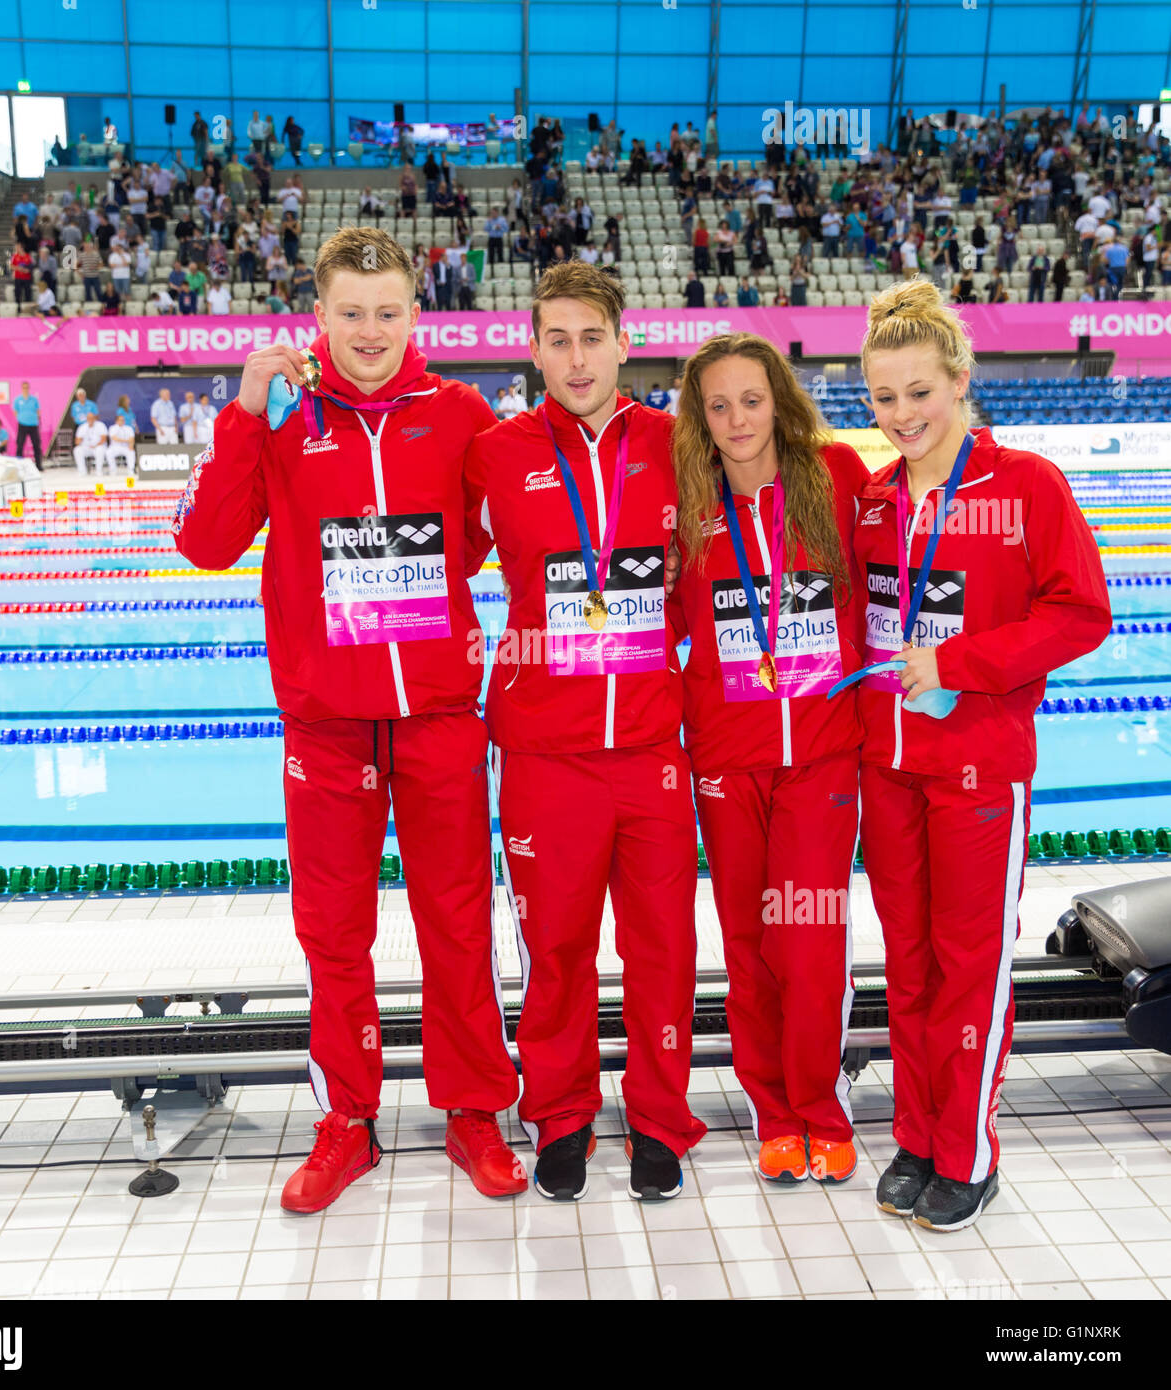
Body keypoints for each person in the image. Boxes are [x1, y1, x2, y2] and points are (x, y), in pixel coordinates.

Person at [171, 226, 524, 1213]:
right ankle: (346, 1121)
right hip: (326, 725)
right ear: (317, 315)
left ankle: (473, 1111)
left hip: (439, 719)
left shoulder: (458, 414)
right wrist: (243, 416)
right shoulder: (280, 416)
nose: (370, 332)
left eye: (388, 312)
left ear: (417, 316)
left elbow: (507, 541)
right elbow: (205, 544)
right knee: (333, 931)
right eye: (351, 313)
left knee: (456, 922)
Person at [853, 279, 1110, 1232]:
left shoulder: (1026, 486)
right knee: (911, 963)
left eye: (920, 392)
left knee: (970, 965)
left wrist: (958, 660)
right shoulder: (874, 499)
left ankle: (967, 1151)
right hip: (887, 766)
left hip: (980, 763)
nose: (903, 415)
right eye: (884, 398)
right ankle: (916, 1136)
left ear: (961, 382)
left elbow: (1083, 614)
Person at [463, 261, 704, 1203]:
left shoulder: (677, 442)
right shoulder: (496, 452)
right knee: (554, 951)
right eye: (556, 339)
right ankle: (560, 1114)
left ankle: (659, 1120)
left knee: (661, 950)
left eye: (591, 337)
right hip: (544, 752)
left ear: (623, 342)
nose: (575, 357)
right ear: (533, 348)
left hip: (650, 749)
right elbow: (432, 560)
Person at [669, 333, 869, 1185]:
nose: (737, 418)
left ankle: (823, 1105)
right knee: (747, 940)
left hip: (821, 755)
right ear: (699, 420)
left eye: (751, 399)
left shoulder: (839, 482)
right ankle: (774, 1108)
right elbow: (663, 623)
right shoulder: (688, 504)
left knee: (812, 939)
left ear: (779, 401)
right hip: (727, 755)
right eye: (718, 405)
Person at [12, 382, 43, 470]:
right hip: (22, 424)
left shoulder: (34, 399)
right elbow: (15, 411)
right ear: (21, 388)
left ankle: (39, 465)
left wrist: (36, 418)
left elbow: (38, 411)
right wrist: (20, 418)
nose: (25, 389)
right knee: (20, 445)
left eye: (27, 387)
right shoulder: (18, 399)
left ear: (29, 388)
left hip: (33, 424)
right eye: (24, 387)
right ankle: (19, 466)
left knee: (36, 445)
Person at [73, 410, 109, 476]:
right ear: (86, 419)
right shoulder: (82, 427)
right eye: (89, 418)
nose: (90, 419)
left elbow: (104, 439)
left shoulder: (100, 425)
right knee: (77, 450)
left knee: (100, 450)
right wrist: (81, 438)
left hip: (98, 446)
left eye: (92, 418)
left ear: (95, 418)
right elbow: (77, 442)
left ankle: (99, 471)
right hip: (86, 447)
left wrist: (95, 445)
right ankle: (82, 471)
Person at [107, 410, 136, 474]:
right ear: (116, 421)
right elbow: (114, 438)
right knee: (108, 452)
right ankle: (113, 470)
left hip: (126, 447)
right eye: (120, 420)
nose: (122, 421)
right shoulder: (113, 428)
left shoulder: (129, 428)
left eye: (123, 420)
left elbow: (132, 439)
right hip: (115, 447)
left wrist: (131, 445)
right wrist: (127, 440)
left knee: (131, 451)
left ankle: (131, 470)